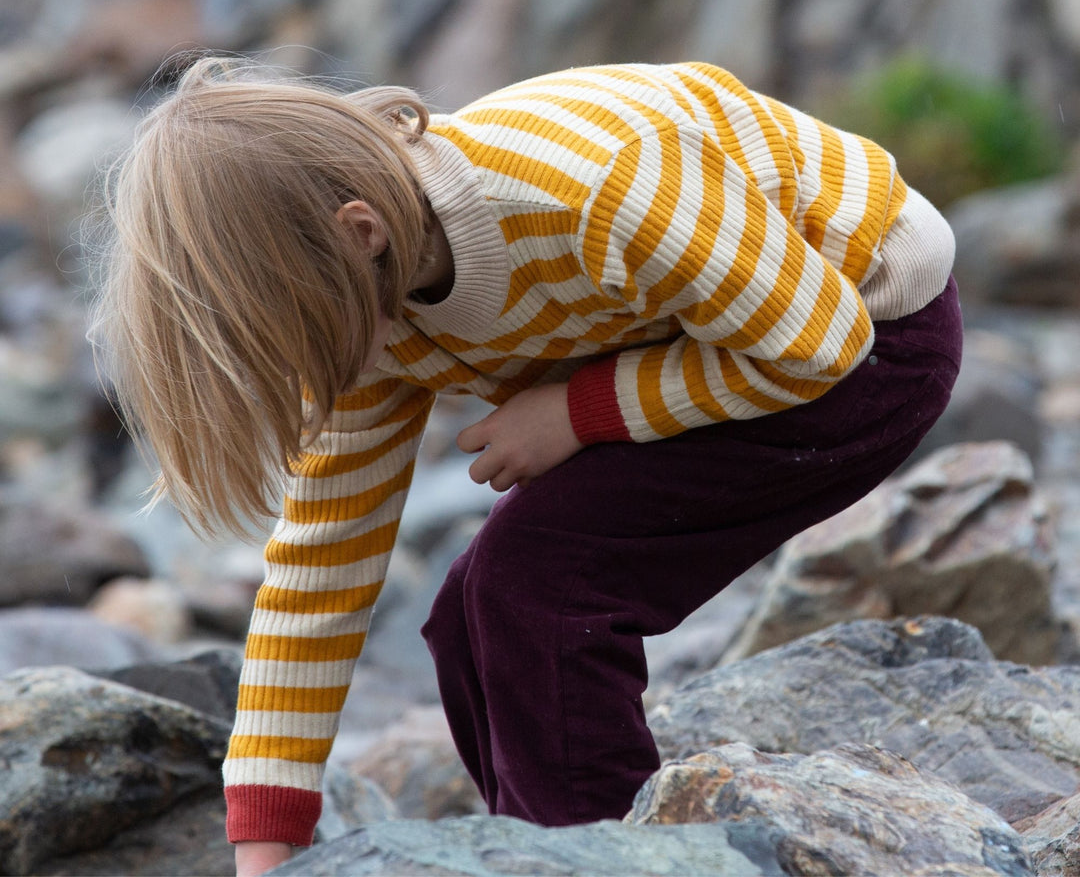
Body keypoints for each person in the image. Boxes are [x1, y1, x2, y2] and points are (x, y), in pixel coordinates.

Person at [92, 55, 961, 876]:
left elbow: (820, 341)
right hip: (702, 345)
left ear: (357, 236)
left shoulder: (597, 187)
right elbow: (322, 565)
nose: (299, 379)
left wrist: (579, 412)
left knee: (539, 587)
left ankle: (599, 858)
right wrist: (266, 841)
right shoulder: (367, 306)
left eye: (289, 348)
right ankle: (533, 842)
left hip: (870, 332)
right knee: (464, 616)